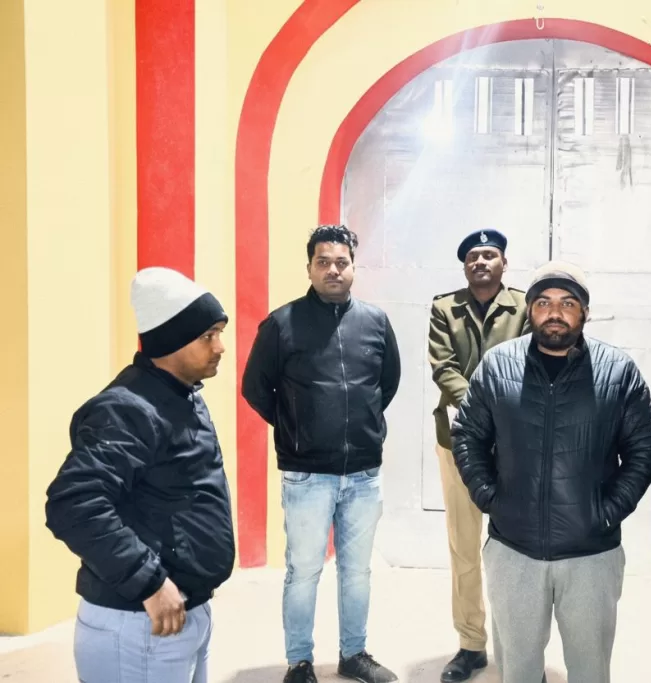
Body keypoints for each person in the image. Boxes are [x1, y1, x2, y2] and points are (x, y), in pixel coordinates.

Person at [451, 261, 651, 683]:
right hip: (514, 551)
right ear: (530, 310)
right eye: (544, 302)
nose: (555, 312)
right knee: (518, 671)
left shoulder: (617, 370)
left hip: (591, 555)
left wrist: (606, 511)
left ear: (585, 312)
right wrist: (492, 498)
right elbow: (467, 436)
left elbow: (644, 449)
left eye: (568, 303)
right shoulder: (498, 365)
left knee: (590, 670)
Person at [45, 267, 235, 683]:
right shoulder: (127, 409)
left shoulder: (181, 395)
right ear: (170, 340)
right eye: (208, 336)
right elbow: (72, 504)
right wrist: (148, 582)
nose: (220, 346)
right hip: (139, 626)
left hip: (181, 617)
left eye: (220, 333)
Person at [242, 225, 401, 683]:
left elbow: (387, 383)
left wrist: (361, 425)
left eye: (341, 262)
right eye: (323, 262)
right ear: (309, 267)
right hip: (307, 475)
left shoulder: (375, 322)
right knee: (304, 570)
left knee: (357, 572)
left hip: (364, 474)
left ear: (353, 266)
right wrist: (297, 427)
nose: (333, 270)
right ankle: (299, 661)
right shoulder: (282, 324)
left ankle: (354, 654)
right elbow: (255, 388)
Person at [427, 229, 529, 682]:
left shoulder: (525, 307)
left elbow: (529, 364)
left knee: (516, 552)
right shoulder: (444, 308)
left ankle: (519, 647)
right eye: (473, 256)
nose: (481, 262)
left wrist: (495, 414)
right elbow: (444, 368)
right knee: (464, 548)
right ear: (464, 265)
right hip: (457, 442)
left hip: (515, 444)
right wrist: (483, 408)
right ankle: (471, 645)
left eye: (490, 255)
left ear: (504, 263)